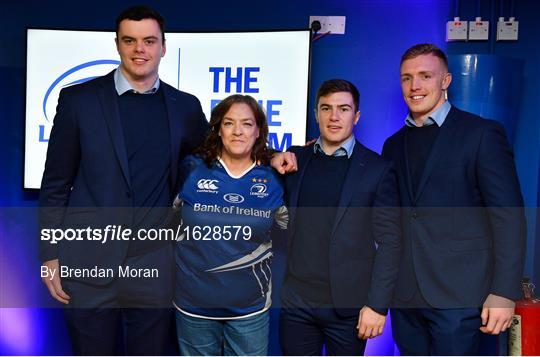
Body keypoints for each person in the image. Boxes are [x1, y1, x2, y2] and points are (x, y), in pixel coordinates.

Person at [38, 6, 208, 355]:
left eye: (149, 41)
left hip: (154, 262)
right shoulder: (78, 100)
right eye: (130, 41)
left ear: (163, 47)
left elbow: (219, 157)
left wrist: (282, 155)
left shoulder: (185, 107)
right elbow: (56, 182)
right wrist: (49, 253)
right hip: (87, 261)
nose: (139, 49)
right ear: (117, 45)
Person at [382, 43, 526, 355]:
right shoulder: (392, 145)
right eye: (407, 78)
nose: (415, 86)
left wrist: (503, 291)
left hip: (461, 295)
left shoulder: (482, 133)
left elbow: (508, 216)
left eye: (424, 76)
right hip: (406, 296)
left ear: (446, 80)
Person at [279, 79, 401, 355]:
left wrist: (377, 306)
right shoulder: (294, 159)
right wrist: (273, 155)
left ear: (356, 116)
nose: (334, 117)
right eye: (327, 108)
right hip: (297, 304)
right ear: (316, 113)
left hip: (349, 309)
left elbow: (391, 243)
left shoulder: (377, 170)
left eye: (343, 109)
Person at [172, 94, 287, 356]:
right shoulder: (191, 169)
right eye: (229, 123)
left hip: (249, 309)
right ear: (217, 129)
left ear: (258, 131)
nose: (237, 131)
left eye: (247, 124)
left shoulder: (275, 176)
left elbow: (289, 232)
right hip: (194, 307)